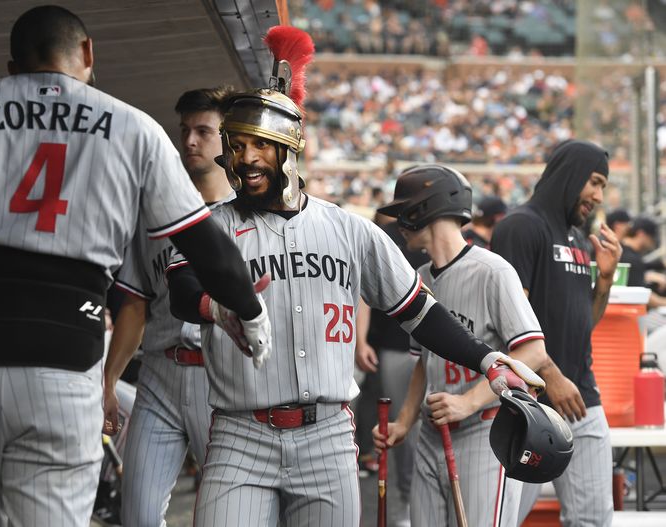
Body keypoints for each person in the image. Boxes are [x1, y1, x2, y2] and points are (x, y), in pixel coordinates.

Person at [0, 7, 270, 527]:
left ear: (12, 66)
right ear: (87, 55)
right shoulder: (135, 129)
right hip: (63, 359)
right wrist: (251, 315)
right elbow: (206, 247)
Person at [166, 26, 544, 527]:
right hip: (241, 434)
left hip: (327, 436)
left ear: (289, 150)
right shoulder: (211, 223)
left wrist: (487, 357)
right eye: (237, 146)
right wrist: (216, 308)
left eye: (261, 145)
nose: (247, 159)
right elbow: (181, 288)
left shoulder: (348, 228)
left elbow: (417, 311)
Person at [372, 165, 547, 527]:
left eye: (404, 211)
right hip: (432, 435)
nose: (400, 221)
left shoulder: (493, 271)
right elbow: (423, 360)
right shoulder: (418, 278)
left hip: (486, 433)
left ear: (423, 211)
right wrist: (404, 423)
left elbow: (532, 353)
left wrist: (468, 402)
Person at [102, 86, 236, 527]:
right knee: (137, 515)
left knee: (227, 517)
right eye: (185, 131)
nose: (191, 141)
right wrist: (109, 381)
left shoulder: (248, 216)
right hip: (159, 375)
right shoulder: (155, 216)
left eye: (204, 131)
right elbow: (135, 307)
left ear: (228, 138)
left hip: (220, 378)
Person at [491, 140, 622, 527]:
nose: (598, 196)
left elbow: (585, 322)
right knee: (500, 518)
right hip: (530, 402)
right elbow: (509, 322)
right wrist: (552, 377)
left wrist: (607, 279)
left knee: (593, 520)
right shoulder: (521, 226)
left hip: (582, 397)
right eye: (594, 182)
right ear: (570, 175)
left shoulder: (579, 238)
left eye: (603, 186)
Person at [354, 213, 429, 526]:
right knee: (405, 431)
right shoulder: (381, 234)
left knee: (419, 433)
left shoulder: (431, 233)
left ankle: (415, 509)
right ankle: (406, 510)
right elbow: (364, 294)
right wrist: (360, 341)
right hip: (397, 346)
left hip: (424, 347)